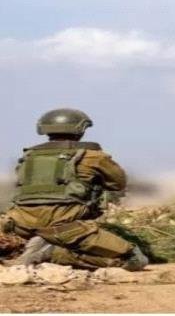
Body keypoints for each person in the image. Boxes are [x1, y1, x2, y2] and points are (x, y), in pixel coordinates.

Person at [2, 108, 147, 270]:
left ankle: (43, 243)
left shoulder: (28, 157)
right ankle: (54, 253)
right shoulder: (93, 156)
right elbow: (118, 183)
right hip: (68, 226)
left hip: (22, 224)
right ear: (81, 130)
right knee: (136, 259)